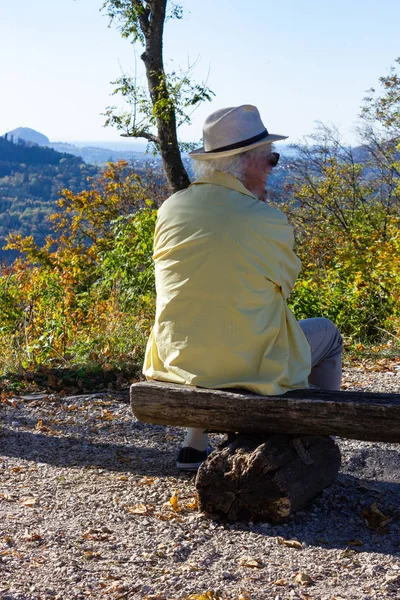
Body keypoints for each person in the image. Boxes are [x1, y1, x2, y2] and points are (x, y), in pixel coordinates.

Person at [143, 105, 343, 471]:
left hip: (176, 362)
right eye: (272, 160)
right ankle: (318, 434)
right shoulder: (265, 219)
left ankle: (195, 442)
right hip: (245, 368)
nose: (273, 168)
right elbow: (286, 286)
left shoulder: (171, 208)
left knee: (203, 318)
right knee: (327, 334)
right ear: (246, 161)